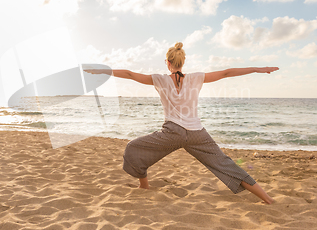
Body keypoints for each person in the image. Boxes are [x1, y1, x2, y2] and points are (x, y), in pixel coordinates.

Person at [83, 42, 277, 204]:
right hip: (197, 134)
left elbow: (130, 74)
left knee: (134, 148)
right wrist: (258, 69)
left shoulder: (159, 79)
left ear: (168, 63)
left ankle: (144, 185)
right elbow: (226, 73)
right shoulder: (197, 77)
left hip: (172, 133)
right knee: (225, 164)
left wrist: (102, 71)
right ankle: (267, 199)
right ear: (182, 62)